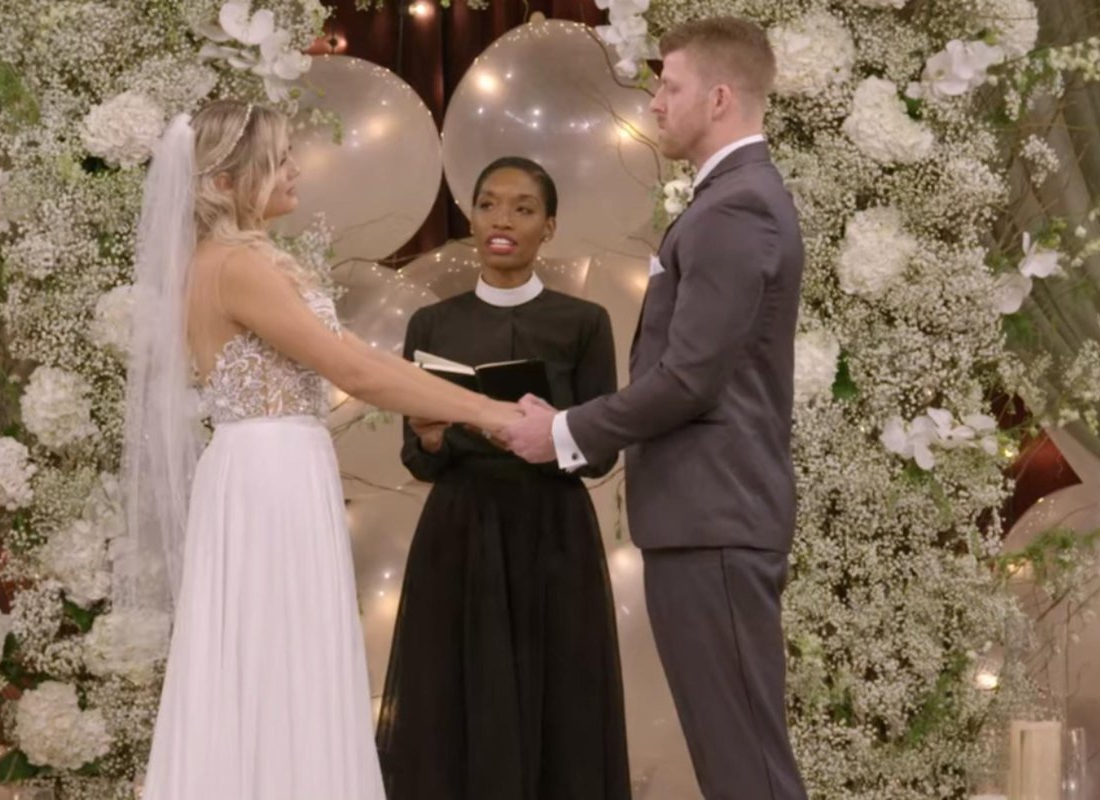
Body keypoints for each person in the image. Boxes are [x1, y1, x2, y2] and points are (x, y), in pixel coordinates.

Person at [121, 100, 520, 800]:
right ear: (224, 183)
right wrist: (492, 413)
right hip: (269, 476)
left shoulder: (235, 261)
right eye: (277, 160)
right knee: (279, 653)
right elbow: (353, 371)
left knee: (283, 653)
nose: (294, 169)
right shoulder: (235, 267)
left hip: (272, 467)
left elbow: (364, 361)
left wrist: (469, 404)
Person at [502, 18, 809, 800]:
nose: (656, 103)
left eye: (670, 86)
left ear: (719, 97)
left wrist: (565, 430)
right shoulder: (732, 200)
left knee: (745, 767)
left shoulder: (736, 208)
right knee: (733, 760)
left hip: (715, 519)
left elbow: (689, 379)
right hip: (706, 519)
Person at [375, 157, 631, 800]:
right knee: (455, 692)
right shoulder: (431, 324)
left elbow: (601, 452)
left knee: (562, 693)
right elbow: (417, 456)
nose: (502, 221)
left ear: (550, 226)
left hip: (553, 530)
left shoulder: (584, 322)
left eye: (523, 208)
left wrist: (550, 438)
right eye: (488, 205)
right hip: (460, 528)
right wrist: (431, 436)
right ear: (471, 219)